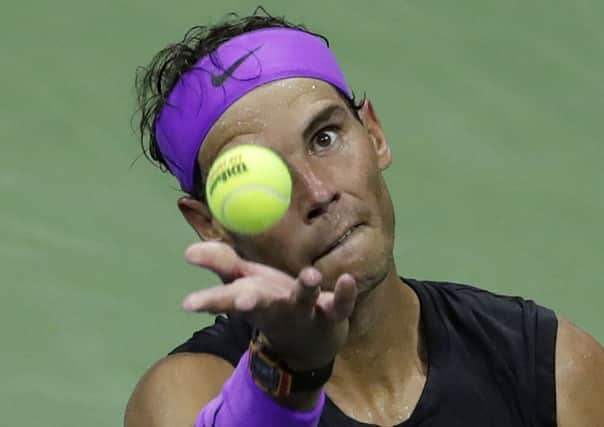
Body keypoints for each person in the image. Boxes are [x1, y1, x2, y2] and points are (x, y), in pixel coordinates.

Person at [124, 9, 603, 427]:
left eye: (325, 139)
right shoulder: (184, 394)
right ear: (211, 226)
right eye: (262, 178)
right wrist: (290, 369)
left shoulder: (550, 367)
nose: (317, 192)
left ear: (374, 134)